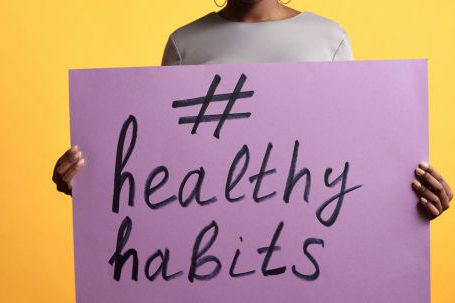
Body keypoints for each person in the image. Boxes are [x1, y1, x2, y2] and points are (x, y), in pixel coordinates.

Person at [52, 0, 452, 218]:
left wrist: (408, 203)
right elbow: (166, 160)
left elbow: (352, 152)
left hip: (307, 239)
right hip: (214, 247)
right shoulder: (185, 43)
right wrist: (96, 185)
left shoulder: (329, 38)